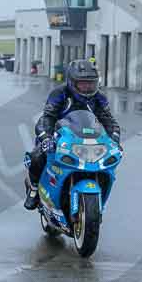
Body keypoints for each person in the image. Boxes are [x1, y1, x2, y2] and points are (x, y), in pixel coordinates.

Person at [24, 59, 121, 210]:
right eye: (83, 83)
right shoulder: (59, 94)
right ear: (71, 82)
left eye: (91, 83)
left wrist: (114, 138)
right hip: (59, 135)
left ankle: (98, 197)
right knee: (38, 156)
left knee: (106, 161)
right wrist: (46, 137)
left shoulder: (99, 97)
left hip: (88, 138)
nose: (88, 87)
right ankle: (34, 188)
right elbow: (47, 117)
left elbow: (108, 120)